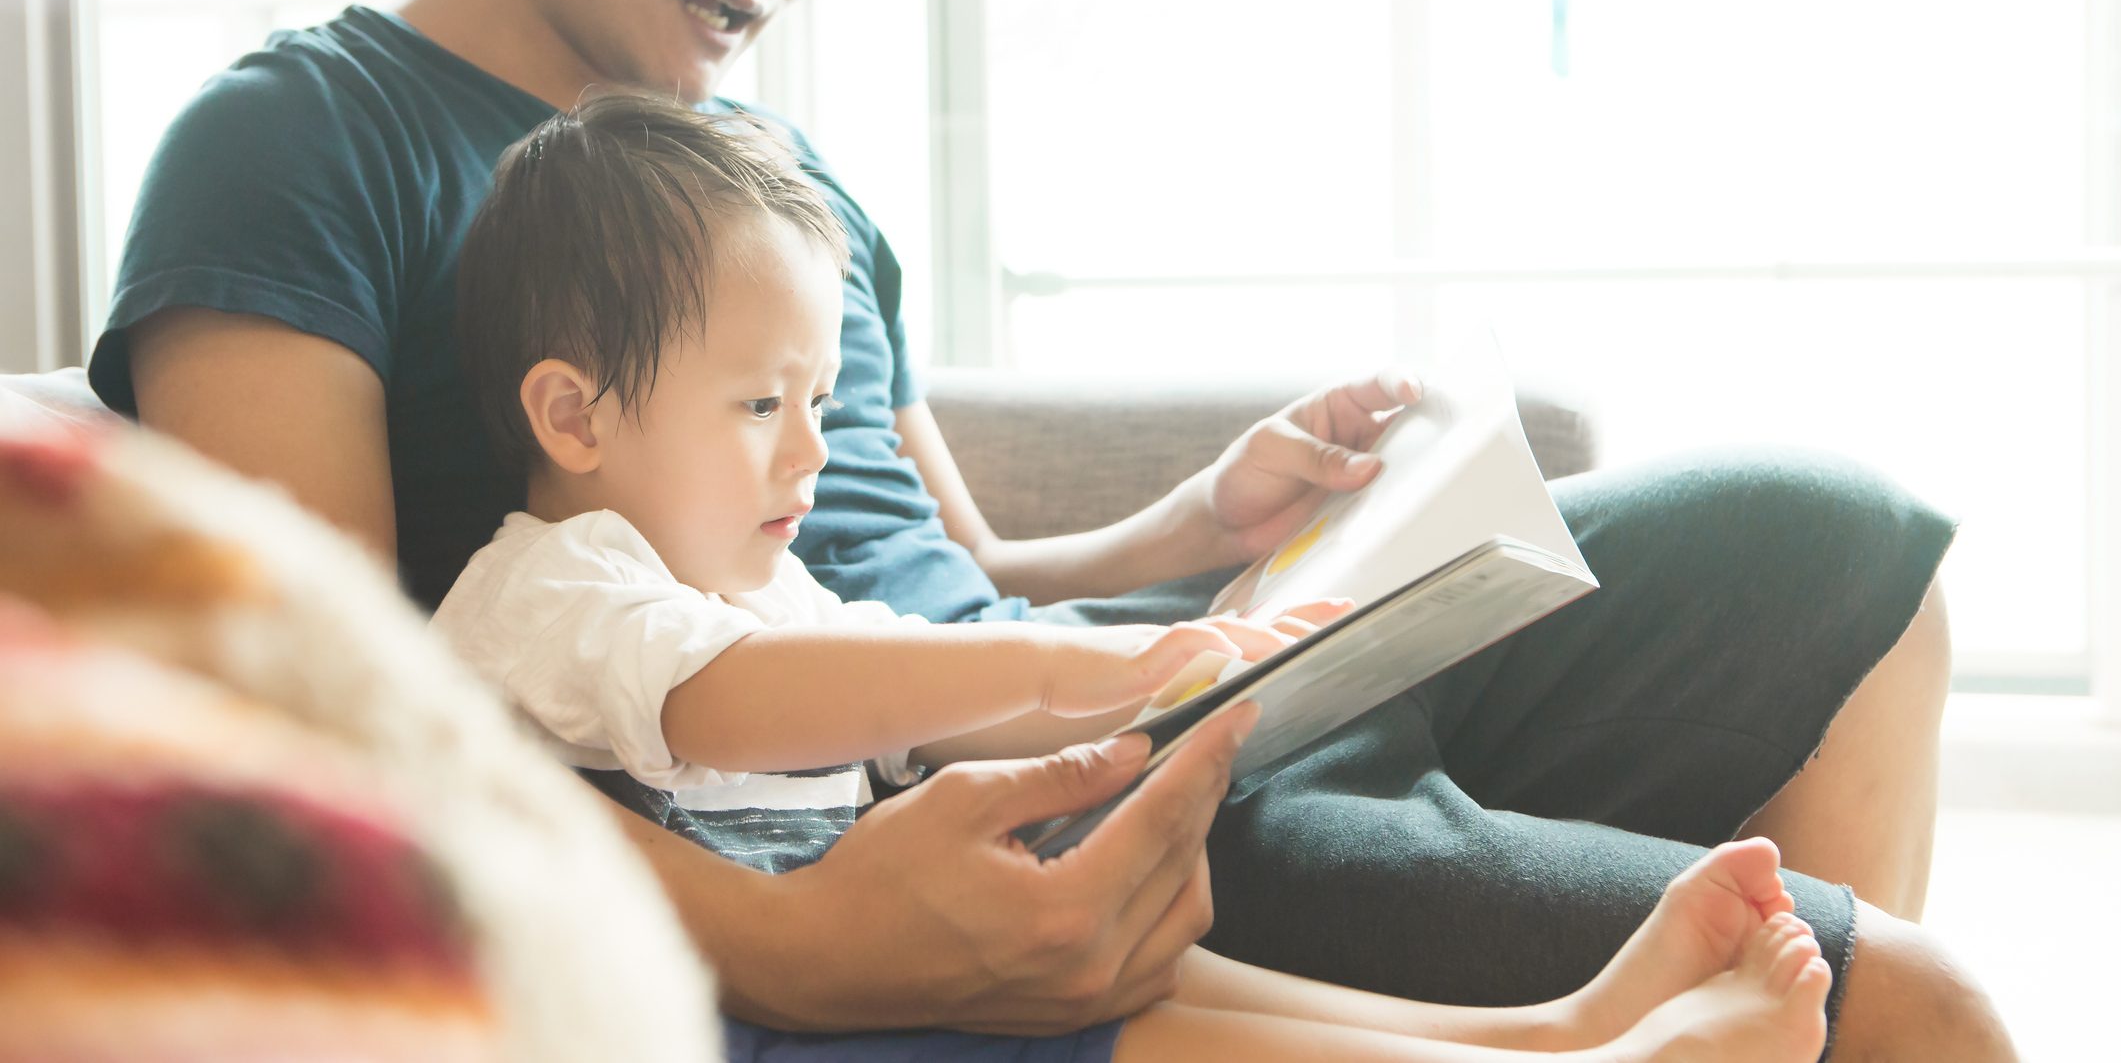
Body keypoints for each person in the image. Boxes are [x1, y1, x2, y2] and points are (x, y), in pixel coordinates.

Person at [86, 0, 2015, 1056]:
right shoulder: (299, 140)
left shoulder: (780, 174)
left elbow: (935, 554)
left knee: (1853, 547)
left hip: (1143, 677)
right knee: (1909, 1009)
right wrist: (799, 942)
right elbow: (326, 707)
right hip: (1017, 797)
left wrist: (1195, 521)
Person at [435, 92, 1835, 1062]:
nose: (812, 449)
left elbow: (933, 714)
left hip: (855, 972)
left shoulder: (757, 586)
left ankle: (1552, 1028)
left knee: (1145, 949)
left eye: (820, 398)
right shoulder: (552, 588)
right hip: (724, 1022)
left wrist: (1210, 664)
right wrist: (1085, 666)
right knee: (1123, 1023)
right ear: (572, 417)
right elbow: (753, 700)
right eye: (759, 406)